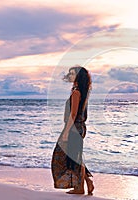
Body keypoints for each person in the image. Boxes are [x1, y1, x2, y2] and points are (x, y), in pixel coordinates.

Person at [51, 66, 94, 195]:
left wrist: (65, 132)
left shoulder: (76, 92)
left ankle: (79, 187)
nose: (69, 75)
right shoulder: (82, 90)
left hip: (74, 128)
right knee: (75, 156)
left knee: (68, 157)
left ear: (78, 76)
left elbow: (73, 114)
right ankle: (87, 183)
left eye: (72, 73)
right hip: (79, 127)